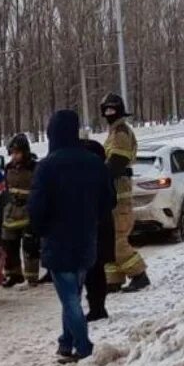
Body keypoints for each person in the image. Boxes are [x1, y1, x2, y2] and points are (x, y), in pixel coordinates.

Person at [28, 110, 115, 363]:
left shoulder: (46, 167)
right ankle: (65, 343)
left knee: (69, 299)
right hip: (86, 239)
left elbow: (36, 207)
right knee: (72, 295)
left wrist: (40, 231)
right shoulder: (94, 163)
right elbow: (108, 200)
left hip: (57, 241)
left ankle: (84, 348)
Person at [100, 93, 150, 292]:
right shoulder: (114, 132)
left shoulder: (121, 132)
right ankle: (113, 280)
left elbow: (117, 162)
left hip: (119, 195)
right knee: (109, 240)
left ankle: (139, 274)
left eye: (112, 110)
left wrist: (99, 175)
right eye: (106, 110)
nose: (109, 114)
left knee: (118, 240)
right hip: (113, 195)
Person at [81, 138, 116, 321]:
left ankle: (97, 307)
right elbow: (112, 200)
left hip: (93, 228)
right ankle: (98, 306)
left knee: (92, 270)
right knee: (96, 269)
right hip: (102, 226)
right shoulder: (103, 171)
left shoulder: (87, 174)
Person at [1, 133, 40, 287]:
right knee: (9, 244)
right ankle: (13, 274)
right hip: (11, 211)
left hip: (28, 210)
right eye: (13, 153)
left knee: (30, 245)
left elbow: (39, 189)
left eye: (18, 152)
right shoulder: (8, 168)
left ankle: (32, 277)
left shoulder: (34, 168)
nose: (15, 156)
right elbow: (7, 187)